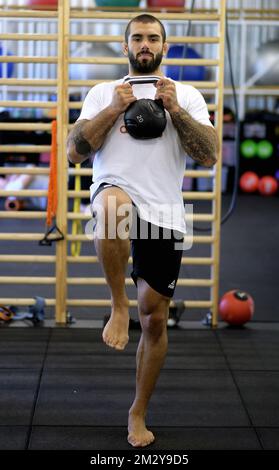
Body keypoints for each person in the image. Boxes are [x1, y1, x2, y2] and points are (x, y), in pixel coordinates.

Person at [67, 13, 218, 448]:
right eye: (138, 38)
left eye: (153, 38)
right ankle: (117, 304)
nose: (145, 44)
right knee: (113, 204)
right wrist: (114, 108)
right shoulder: (102, 93)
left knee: (153, 319)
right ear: (126, 45)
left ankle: (138, 410)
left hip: (165, 213)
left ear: (165, 47)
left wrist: (174, 111)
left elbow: (207, 156)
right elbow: (76, 153)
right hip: (117, 193)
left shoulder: (186, 94)